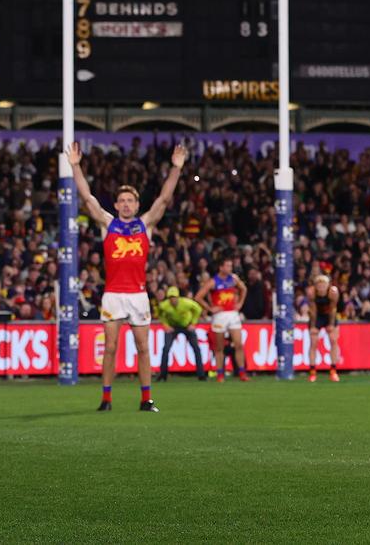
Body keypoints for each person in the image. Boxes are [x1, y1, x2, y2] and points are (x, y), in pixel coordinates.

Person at [67, 141, 187, 412]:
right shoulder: (108, 224)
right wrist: (75, 165)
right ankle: (106, 399)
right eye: (121, 200)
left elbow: (164, 199)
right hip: (113, 294)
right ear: (116, 204)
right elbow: (87, 198)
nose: (125, 204)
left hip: (137, 294)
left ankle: (147, 399)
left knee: (143, 348)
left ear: (136, 204)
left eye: (130, 200)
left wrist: (176, 169)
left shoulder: (145, 224)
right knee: (110, 348)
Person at [196, 256, 249, 382]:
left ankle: (242, 373)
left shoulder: (234, 278)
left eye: (231, 266)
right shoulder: (213, 281)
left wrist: (240, 303)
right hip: (219, 316)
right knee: (219, 347)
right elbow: (198, 297)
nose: (230, 268)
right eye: (228, 266)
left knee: (238, 344)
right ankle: (220, 374)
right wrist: (210, 308)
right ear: (221, 267)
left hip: (232, 314)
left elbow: (244, 289)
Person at [157, 286, 206, 381]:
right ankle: (163, 374)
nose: (173, 300)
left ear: (178, 297)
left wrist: (193, 323)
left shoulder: (186, 303)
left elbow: (198, 309)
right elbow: (160, 315)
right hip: (173, 327)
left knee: (196, 348)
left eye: (174, 297)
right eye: (170, 298)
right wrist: (166, 326)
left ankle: (201, 374)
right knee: (166, 348)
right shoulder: (164, 306)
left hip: (186, 325)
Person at [307, 274, 340, 382]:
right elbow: (312, 311)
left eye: (323, 284)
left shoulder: (333, 292)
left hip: (329, 315)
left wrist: (331, 324)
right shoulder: (311, 292)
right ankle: (312, 372)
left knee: (333, 340)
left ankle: (333, 371)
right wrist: (313, 325)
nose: (321, 287)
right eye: (319, 285)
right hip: (317, 316)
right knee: (313, 341)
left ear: (327, 285)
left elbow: (333, 309)